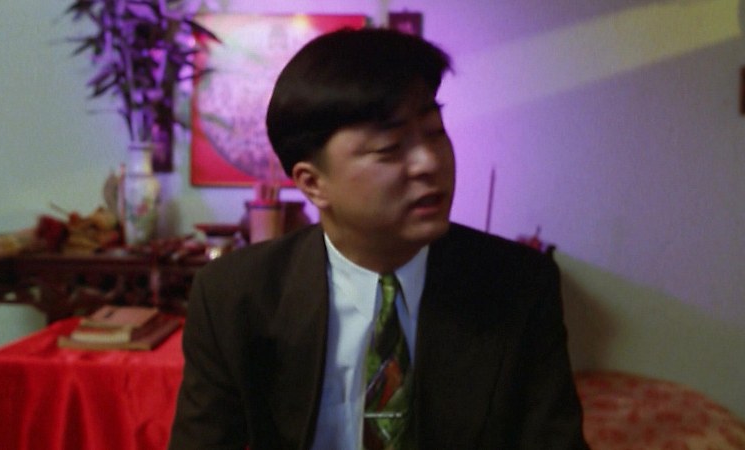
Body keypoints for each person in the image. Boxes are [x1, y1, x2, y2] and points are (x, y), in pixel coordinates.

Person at [169, 27, 588, 449]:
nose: (428, 163)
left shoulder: (518, 286)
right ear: (313, 183)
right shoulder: (235, 295)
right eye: (389, 148)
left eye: (435, 131)